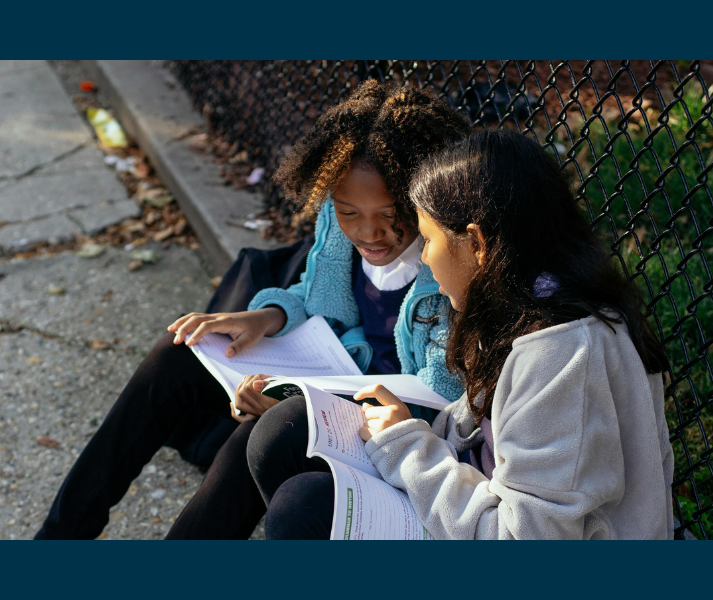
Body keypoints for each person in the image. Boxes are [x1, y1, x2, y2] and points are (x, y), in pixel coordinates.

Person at [35, 80, 470, 540]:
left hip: (396, 433)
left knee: (257, 436)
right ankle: (60, 536)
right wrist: (263, 316)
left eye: (390, 214)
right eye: (349, 212)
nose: (369, 233)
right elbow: (316, 296)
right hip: (327, 377)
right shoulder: (338, 223)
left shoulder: (449, 264)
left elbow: (439, 399)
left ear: (424, 200)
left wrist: (304, 402)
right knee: (179, 351)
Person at [262, 129, 675, 540]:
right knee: (284, 432)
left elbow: (523, 538)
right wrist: (403, 431)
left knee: (305, 505)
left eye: (428, 239)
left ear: (476, 243)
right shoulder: (523, 305)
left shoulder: (562, 357)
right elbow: (475, 435)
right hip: (473, 504)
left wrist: (405, 447)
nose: (423, 256)